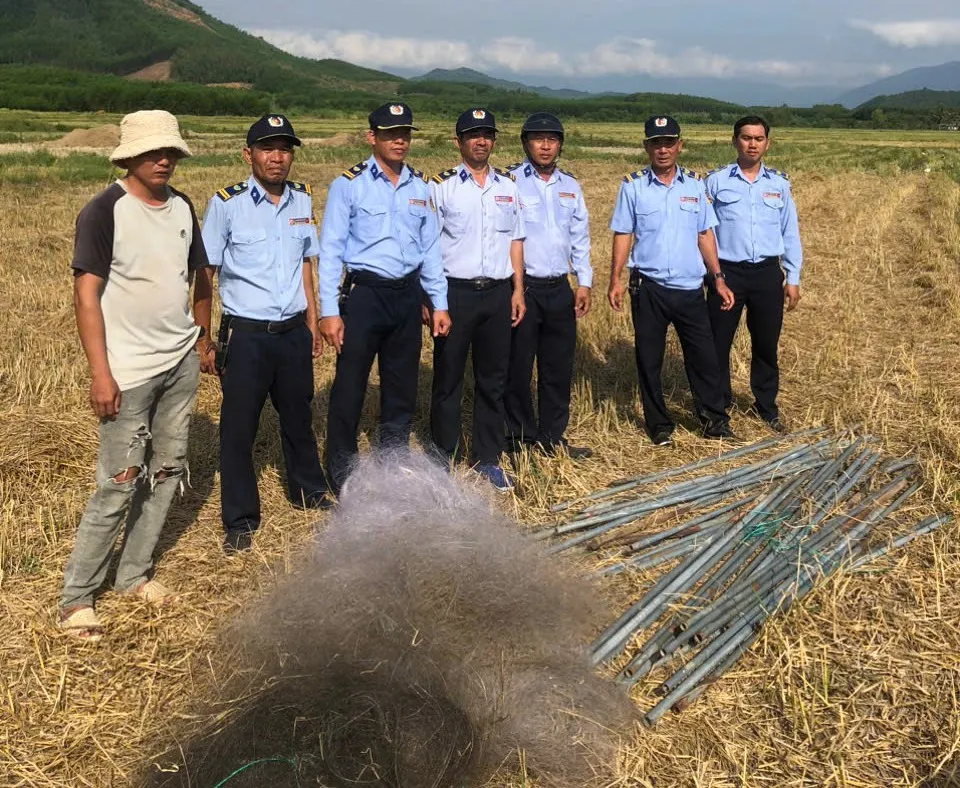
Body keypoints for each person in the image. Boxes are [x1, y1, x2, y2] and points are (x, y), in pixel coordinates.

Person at [59, 110, 210, 639]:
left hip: (179, 364)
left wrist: (201, 337)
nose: (163, 159)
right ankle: (76, 598)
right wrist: (101, 375)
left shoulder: (183, 207)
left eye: (169, 151)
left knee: (167, 472)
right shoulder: (105, 211)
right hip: (127, 373)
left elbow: (199, 277)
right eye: (152, 152)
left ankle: (134, 574)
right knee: (118, 483)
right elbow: (86, 297)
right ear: (128, 156)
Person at [200, 114, 330, 555]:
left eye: (285, 149)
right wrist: (203, 337)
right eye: (267, 148)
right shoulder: (226, 204)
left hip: (292, 332)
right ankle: (239, 519)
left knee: (299, 417)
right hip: (247, 336)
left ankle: (309, 491)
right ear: (248, 153)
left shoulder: (300, 201)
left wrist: (312, 324)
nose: (277, 157)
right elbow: (206, 273)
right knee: (238, 429)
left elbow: (306, 267)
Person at [317, 103, 451, 493]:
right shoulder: (349, 184)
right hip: (364, 296)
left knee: (401, 383)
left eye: (405, 133)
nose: (400, 140)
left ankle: (392, 461)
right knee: (350, 384)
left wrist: (438, 303)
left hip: (406, 297)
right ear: (371, 136)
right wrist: (329, 311)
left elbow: (430, 250)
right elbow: (331, 250)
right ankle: (340, 470)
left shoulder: (420, 187)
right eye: (391, 133)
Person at [607, 115, 736, 446]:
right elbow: (623, 233)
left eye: (669, 143)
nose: (662, 150)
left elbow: (705, 234)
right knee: (649, 359)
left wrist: (718, 278)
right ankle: (659, 425)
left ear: (679, 145)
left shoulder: (695, 185)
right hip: (648, 287)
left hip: (690, 288)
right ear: (646, 146)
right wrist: (615, 279)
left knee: (704, 357)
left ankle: (714, 421)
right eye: (655, 143)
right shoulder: (632, 186)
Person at [429, 108, 526, 491]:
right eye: (473, 135)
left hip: (498, 293)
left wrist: (518, 290)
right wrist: (434, 299)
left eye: (487, 134)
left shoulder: (508, 186)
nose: (481, 140)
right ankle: (444, 459)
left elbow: (516, 241)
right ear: (458, 142)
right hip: (456, 293)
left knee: (493, 380)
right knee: (448, 378)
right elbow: (429, 247)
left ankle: (487, 458)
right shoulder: (441, 187)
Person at [504, 112, 593, 459]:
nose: (545, 145)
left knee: (558, 368)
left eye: (552, 139)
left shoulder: (570, 186)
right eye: (538, 139)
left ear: (560, 145)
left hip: (559, 289)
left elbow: (580, 237)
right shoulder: (509, 182)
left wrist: (583, 282)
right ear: (526, 143)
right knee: (518, 367)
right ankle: (518, 438)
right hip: (523, 288)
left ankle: (552, 437)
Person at [705, 115, 802, 432]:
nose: (752, 144)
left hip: (766, 275)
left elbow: (790, 233)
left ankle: (766, 405)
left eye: (758, 139)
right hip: (726, 274)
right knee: (718, 342)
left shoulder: (779, 185)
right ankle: (718, 405)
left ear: (767, 143)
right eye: (746, 137)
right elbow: (703, 232)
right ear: (734, 141)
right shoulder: (716, 182)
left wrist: (793, 277)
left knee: (766, 343)